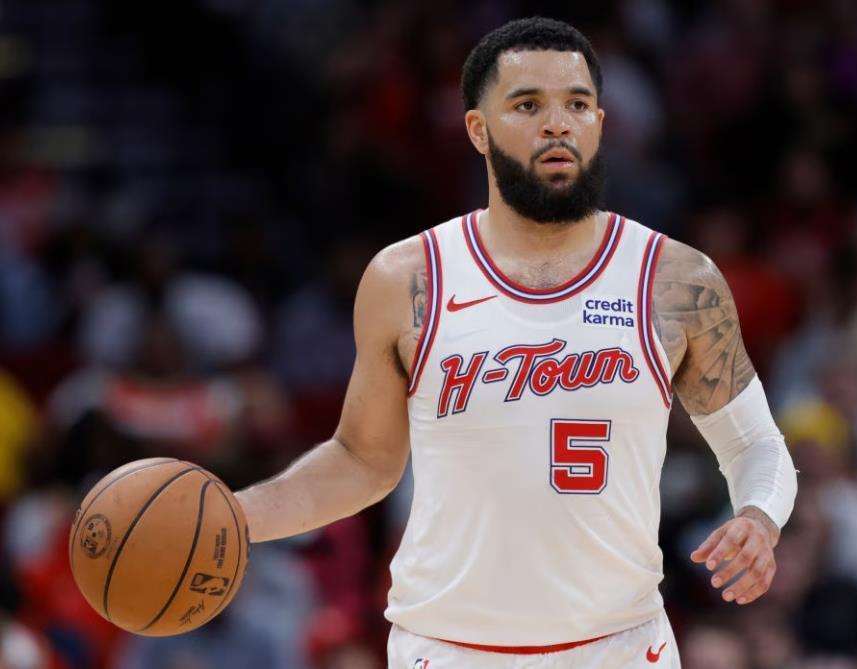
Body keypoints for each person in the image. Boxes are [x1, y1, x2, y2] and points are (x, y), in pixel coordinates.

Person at [235, 17, 798, 668]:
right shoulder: (408, 278)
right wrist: (237, 515)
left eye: (577, 105)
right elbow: (362, 460)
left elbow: (755, 443)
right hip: (450, 647)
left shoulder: (674, 281)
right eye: (528, 104)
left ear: (599, 124)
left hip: (616, 647)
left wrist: (758, 517)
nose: (557, 123)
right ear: (478, 129)